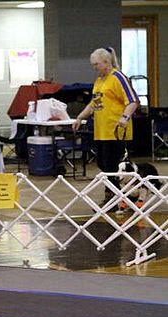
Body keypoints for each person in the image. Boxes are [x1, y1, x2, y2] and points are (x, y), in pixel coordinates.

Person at [72, 47, 139, 207]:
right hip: (101, 131)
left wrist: (125, 117)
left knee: (113, 166)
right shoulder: (99, 80)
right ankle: (119, 195)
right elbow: (94, 103)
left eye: (96, 64)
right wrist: (80, 117)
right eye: (93, 65)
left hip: (116, 131)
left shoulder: (118, 77)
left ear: (106, 62)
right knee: (103, 164)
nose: (94, 67)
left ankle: (117, 197)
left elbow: (133, 100)